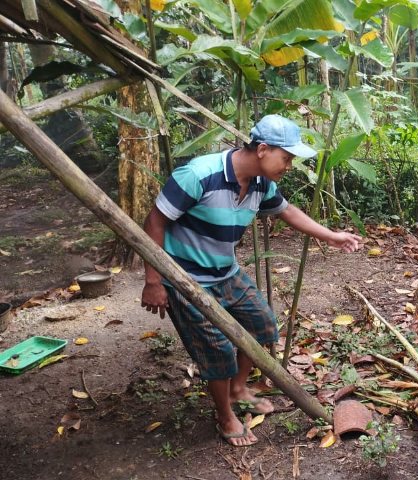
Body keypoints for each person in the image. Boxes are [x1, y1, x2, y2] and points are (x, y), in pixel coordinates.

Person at [140, 115, 361, 447]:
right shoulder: (198, 175)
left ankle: (239, 388)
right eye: (286, 157)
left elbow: (286, 211)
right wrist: (154, 280)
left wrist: (330, 236)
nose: (289, 165)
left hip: (225, 271)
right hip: (184, 279)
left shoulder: (261, 184)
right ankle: (225, 415)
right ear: (262, 149)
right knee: (217, 351)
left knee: (262, 325)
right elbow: (154, 220)